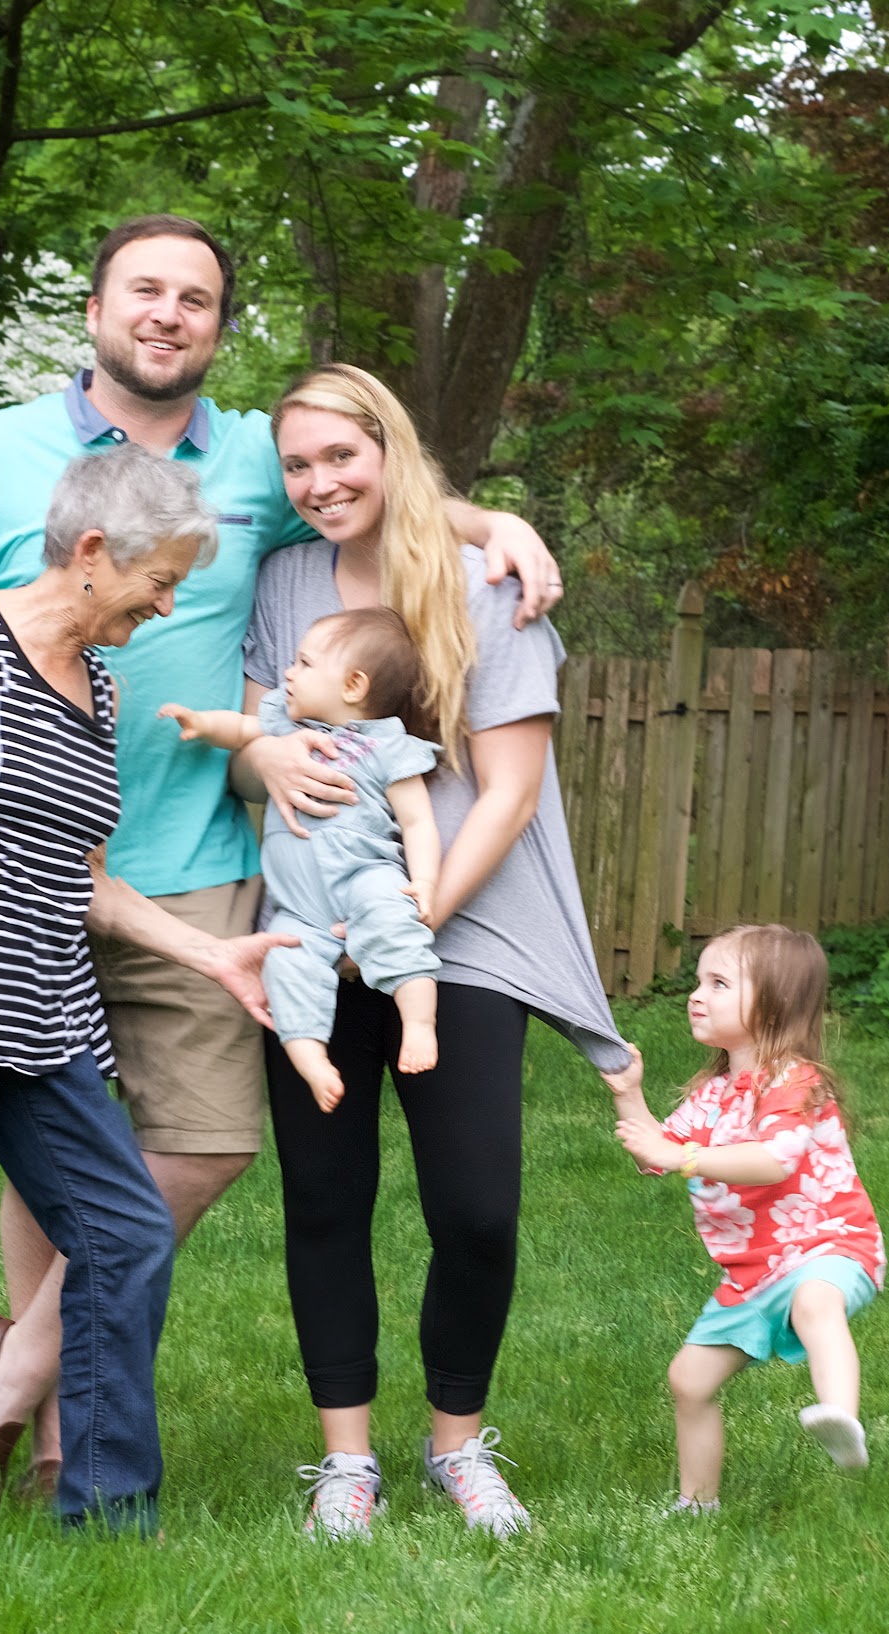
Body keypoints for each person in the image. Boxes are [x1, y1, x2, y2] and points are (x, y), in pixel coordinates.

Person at [0, 215, 563, 1491]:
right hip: (22, 861)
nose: (167, 313)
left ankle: (11, 1372)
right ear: (96, 307)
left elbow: (371, 483)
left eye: (195, 298)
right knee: (40, 1163)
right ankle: (55, 1450)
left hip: (196, 852)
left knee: (202, 1144)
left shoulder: (260, 456)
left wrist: (498, 524)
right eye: (144, 290)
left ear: (218, 324)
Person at [0, 443, 291, 1546]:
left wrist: (210, 954)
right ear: (88, 553)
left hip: (43, 1009)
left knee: (123, 1231)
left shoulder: (99, 678)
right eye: (157, 579)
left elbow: (87, 881)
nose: (166, 605)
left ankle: (111, 1509)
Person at [229, 363, 630, 1542]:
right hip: (306, 928)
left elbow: (504, 793)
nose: (317, 483)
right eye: (296, 464)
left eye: (338, 457)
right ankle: (343, 1462)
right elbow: (259, 731)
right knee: (324, 1194)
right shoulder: (283, 578)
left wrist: (404, 926)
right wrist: (263, 760)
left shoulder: (485, 583)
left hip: (461, 934)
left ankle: (456, 1441)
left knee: (475, 1209)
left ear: (391, 449)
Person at [598, 924, 886, 1515]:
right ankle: (697, 1505)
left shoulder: (796, 1081)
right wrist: (630, 1094)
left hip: (830, 1245)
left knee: (814, 1303)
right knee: (689, 1381)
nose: (696, 994)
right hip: (754, 1274)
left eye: (719, 983)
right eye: (699, 980)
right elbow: (659, 1150)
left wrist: (685, 1158)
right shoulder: (715, 1092)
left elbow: (773, 1161)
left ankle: (841, 1419)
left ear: (774, 1001)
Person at [159, 606, 444, 1109]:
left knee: (397, 927)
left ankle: (418, 1025)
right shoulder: (284, 728)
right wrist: (203, 723)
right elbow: (243, 727)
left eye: (304, 664)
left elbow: (418, 821)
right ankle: (312, 1059)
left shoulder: (389, 747)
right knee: (286, 965)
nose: (288, 672)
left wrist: (423, 881)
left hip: (366, 877)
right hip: (299, 906)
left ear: (354, 685)